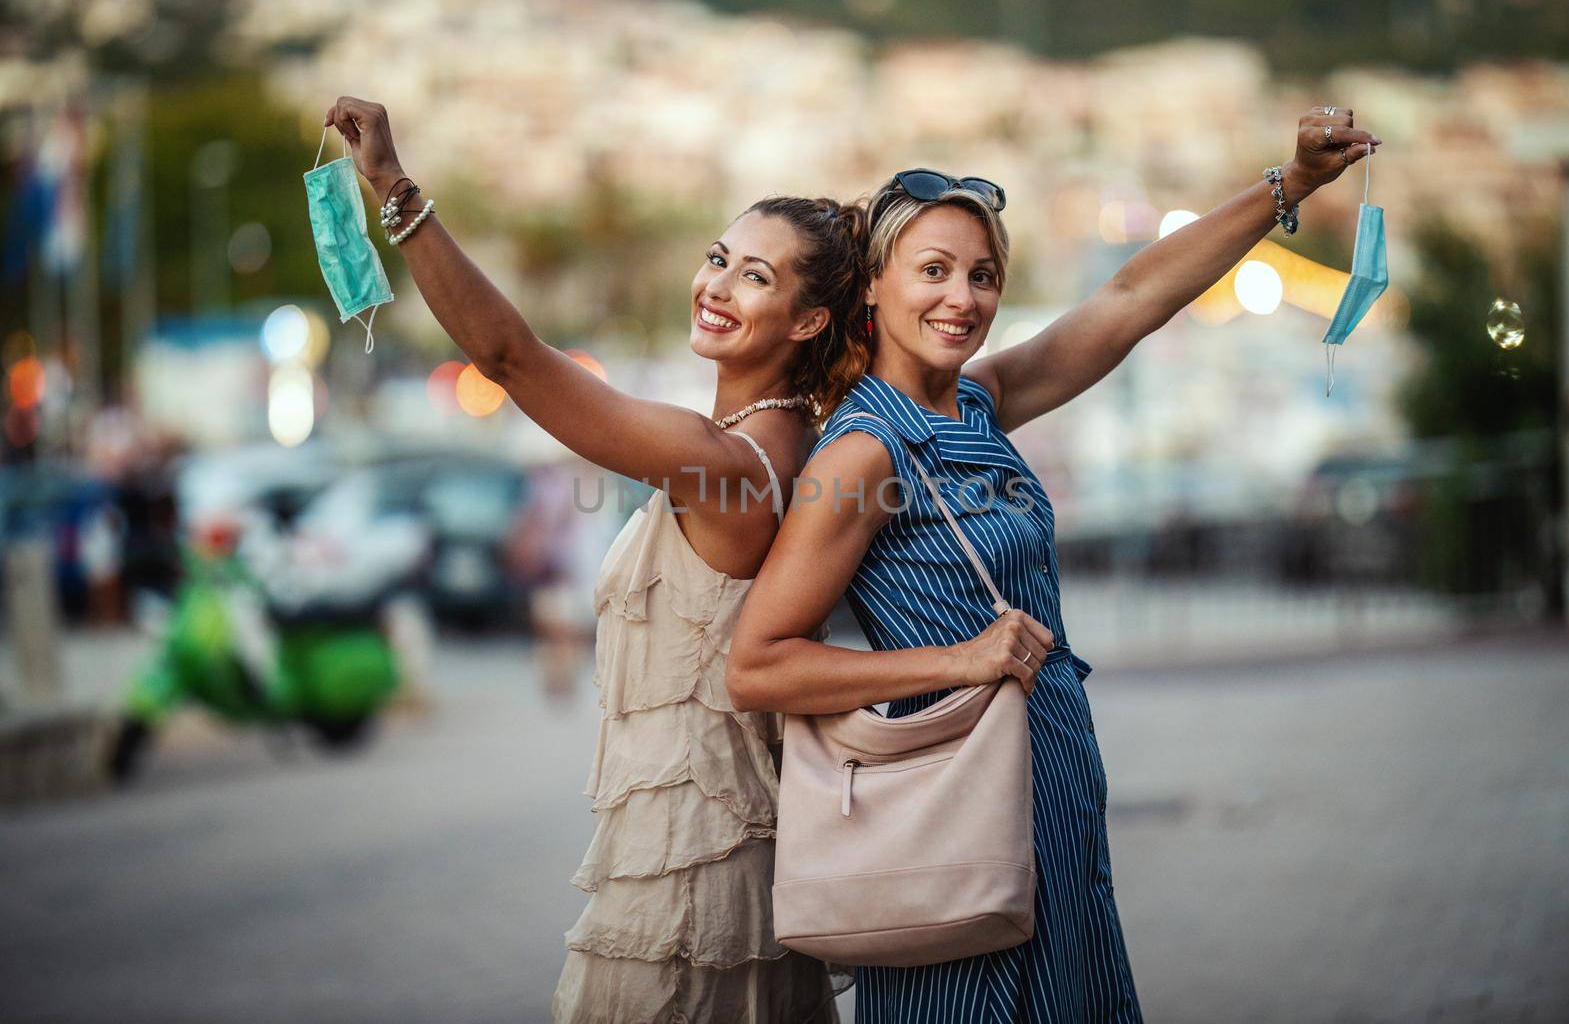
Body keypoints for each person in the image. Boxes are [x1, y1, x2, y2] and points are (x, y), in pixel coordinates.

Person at [727, 108, 1383, 1021]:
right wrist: (960, 659)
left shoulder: (978, 403)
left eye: (983, 275)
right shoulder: (864, 454)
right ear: (871, 288)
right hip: (958, 816)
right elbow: (758, 663)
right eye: (934, 271)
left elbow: (1129, 301)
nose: (963, 298)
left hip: (1049, 799)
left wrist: (1293, 183)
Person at [322, 96, 863, 1022]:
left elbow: (512, 358)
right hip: (707, 857)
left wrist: (394, 190)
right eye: (717, 258)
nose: (718, 286)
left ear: (808, 322)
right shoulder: (775, 440)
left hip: (692, 879)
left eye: (755, 278)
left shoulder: (732, 461)